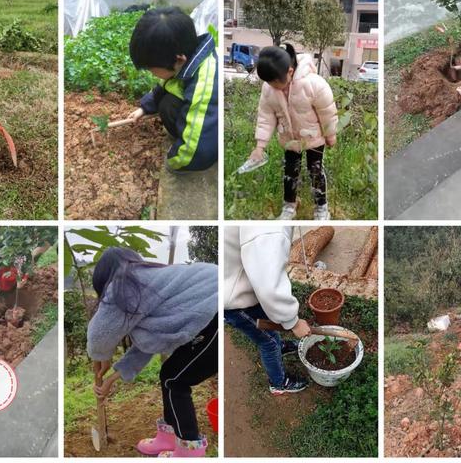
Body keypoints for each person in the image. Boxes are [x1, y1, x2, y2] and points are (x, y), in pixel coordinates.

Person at [87, 247, 218, 457]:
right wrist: (111, 378)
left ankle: (189, 452)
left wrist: (102, 357)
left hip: (218, 312)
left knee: (175, 381)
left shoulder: (125, 284)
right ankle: (167, 437)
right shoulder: (146, 285)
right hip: (211, 310)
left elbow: (98, 334)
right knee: (169, 374)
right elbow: (148, 346)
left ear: (104, 277)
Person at [248, 43, 338, 220]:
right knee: (290, 172)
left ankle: (321, 207)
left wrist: (330, 134)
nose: (273, 87)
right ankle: (289, 206)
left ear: (289, 72)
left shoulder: (313, 84)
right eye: (269, 83)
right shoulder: (269, 90)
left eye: (275, 83)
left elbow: (327, 111)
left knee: (315, 170)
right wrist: (260, 146)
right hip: (289, 139)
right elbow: (266, 117)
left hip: (314, 138)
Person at [128, 7, 218, 173]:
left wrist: (177, 160)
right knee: (167, 102)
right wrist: (144, 108)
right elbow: (165, 85)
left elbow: (199, 143)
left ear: (178, 60)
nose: (151, 72)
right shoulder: (187, 61)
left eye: (150, 68)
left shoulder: (204, 85)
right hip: (202, 116)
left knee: (172, 109)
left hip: (211, 131)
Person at [224, 226, 311, 395]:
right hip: (236, 304)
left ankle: (280, 346)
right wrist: (293, 322)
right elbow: (269, 287)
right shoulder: (268, 228)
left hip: (244, 287)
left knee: (268, 330)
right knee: (268, 342)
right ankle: (278, 383)